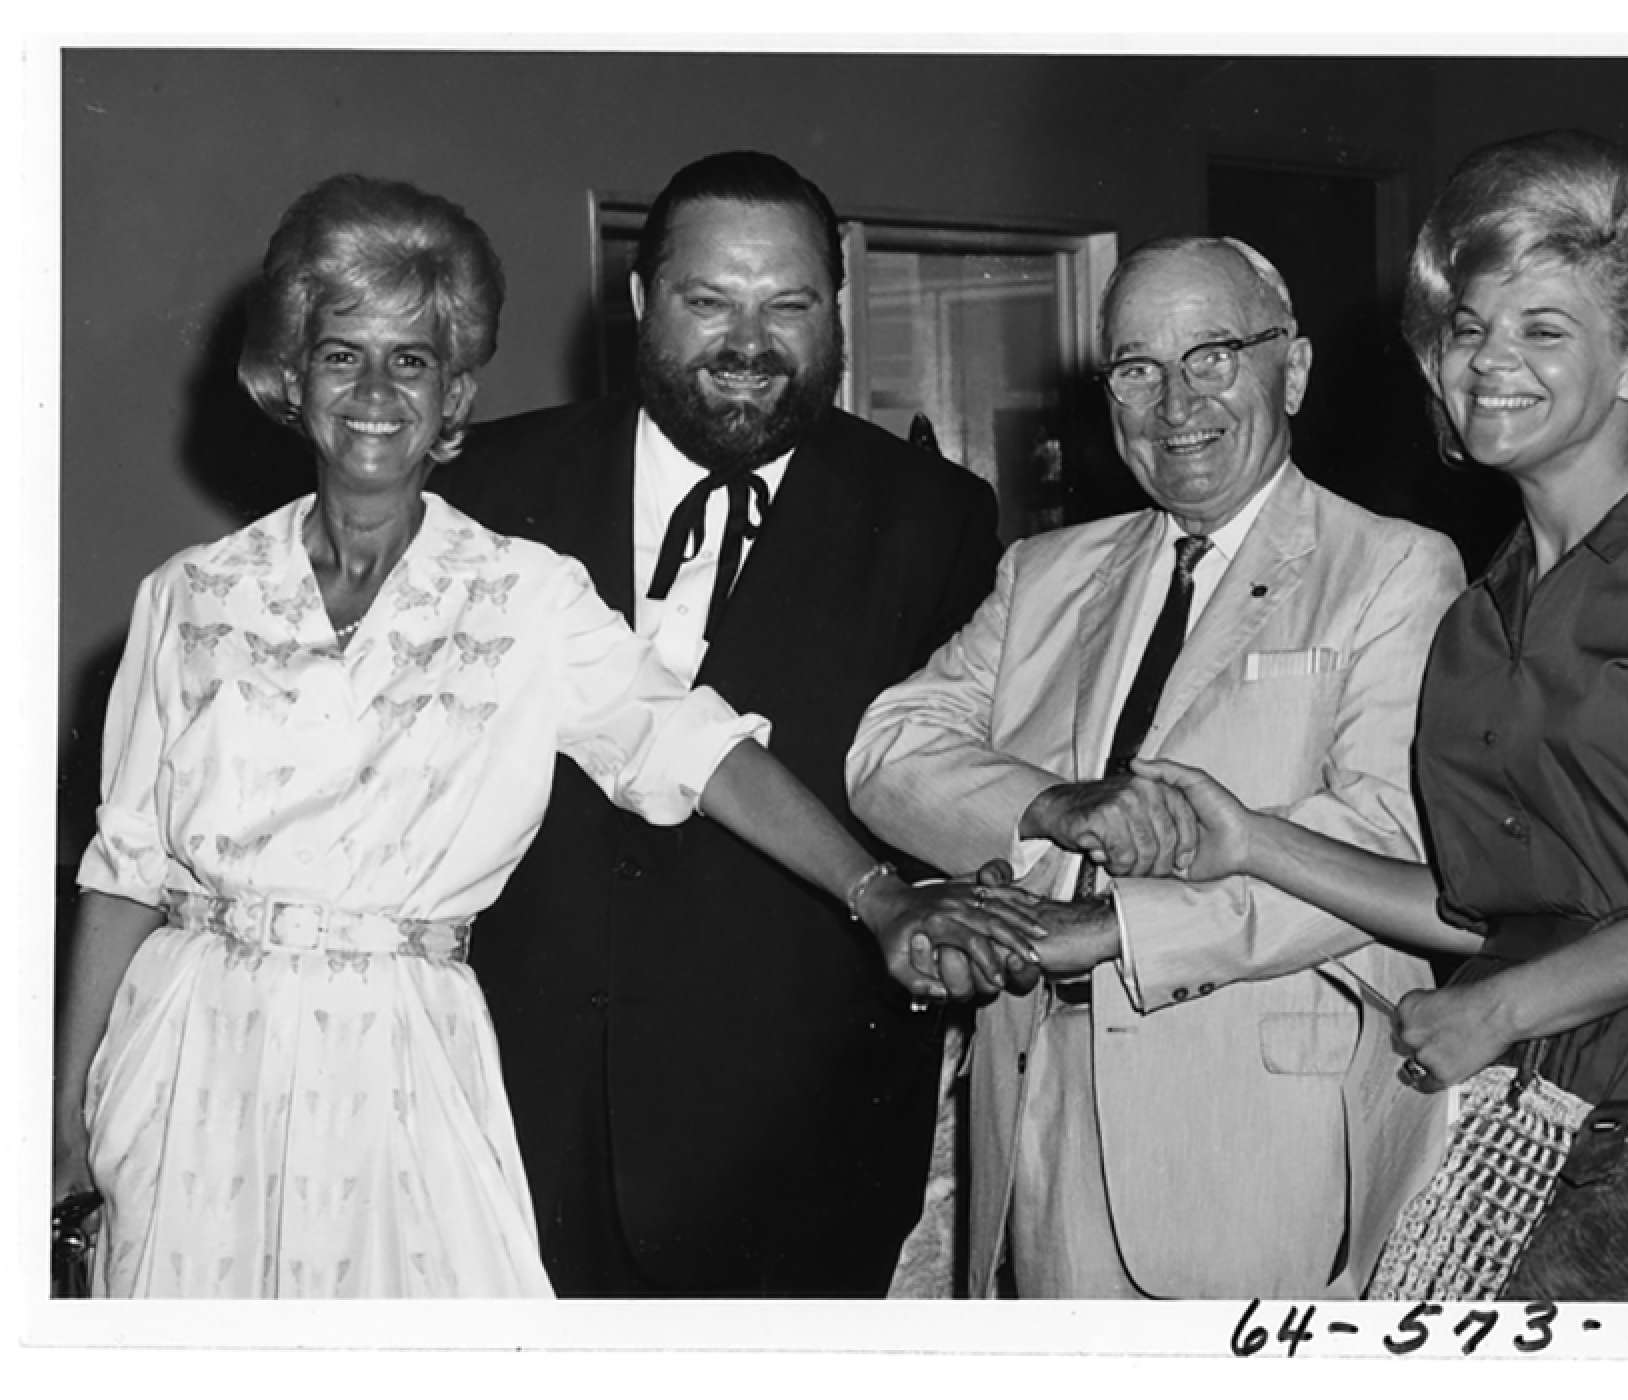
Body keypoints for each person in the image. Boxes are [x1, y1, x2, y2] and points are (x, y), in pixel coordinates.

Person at [48, 173, 1035, 1300]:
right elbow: (123, 866)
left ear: (456, 385)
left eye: (412, 359)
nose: (376, 390)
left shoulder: (521, 591)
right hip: (189, 1062)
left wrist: (884, 895)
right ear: (289, 375)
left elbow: (692, 745)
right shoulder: (190, 593)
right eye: (341, 354)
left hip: (402, 1067)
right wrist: (64, 1119)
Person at [1134, 129, 1628, 1301]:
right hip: (1507, 1138)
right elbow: (1478, 913)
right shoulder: (1477, 613)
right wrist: (1253, 837)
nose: (1488, 360)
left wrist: (1505, 1004)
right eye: (1468, 328)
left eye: (1542, 328)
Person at [847, 235, 1467, 1299]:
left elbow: (1384, 843)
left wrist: (1114, 929)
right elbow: (887, 748)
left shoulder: (1395, 568)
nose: (1176, 402)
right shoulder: (1045, 572)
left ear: (1296, 369)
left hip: (1265, 1148)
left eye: (1214, 355)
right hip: (1042, 1126)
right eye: (1137, 367)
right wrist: (1052, 805)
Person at [436, 151, 1009, 1298]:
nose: (750, 339)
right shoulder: (487, 486)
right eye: (709, 300)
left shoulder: (937, 519)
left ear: (836, 313)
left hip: (799, 1150)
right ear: (644, 303)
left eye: (789, 303)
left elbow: (951, 784)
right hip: (507, 1118)